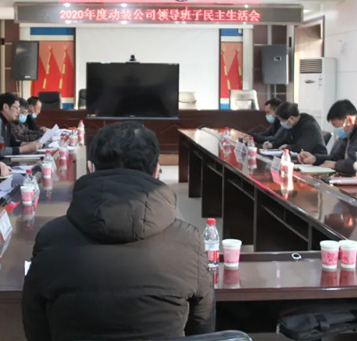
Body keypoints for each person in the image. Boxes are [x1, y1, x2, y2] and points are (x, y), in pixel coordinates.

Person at [23, 121, 215, 340]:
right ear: (156, 170)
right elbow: (202, 327)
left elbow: (36, 325)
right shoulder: (189, 242)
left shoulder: (51, 238)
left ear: (90, 168)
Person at [298, 100, 357, 187]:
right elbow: (336, 157)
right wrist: (315, 158)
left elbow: (354, 166)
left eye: (337, 126)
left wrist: (334, 165)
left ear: (349, 120)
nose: (337, 130)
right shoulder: (351, 131)